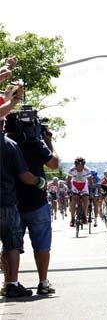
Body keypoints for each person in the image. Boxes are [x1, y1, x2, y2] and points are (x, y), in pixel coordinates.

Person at [4, 111, 59, 295]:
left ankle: (10, 282)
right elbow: (54, 164)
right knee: (42, 244)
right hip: (37, 202)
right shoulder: (38, 143)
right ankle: (43, 282)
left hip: (13, 203)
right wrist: (50, 141)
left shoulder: (7, 144)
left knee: (11, 245)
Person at [0, 117, 46, 297]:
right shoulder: (9, 145)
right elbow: (24, 175)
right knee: (11, 244)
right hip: (5, 202)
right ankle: (12, 283)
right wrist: (39, 181)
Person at [67, 157, 93, 227]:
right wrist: (70, 190)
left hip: (83, 185)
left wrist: (90, 192)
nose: (80, 168)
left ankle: (84, 215)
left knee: (86, 199)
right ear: (75, 165)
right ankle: (72, 218)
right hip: (75, 185)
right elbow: (68, 181)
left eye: (82, 166)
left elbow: (90, 182)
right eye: (78, 166)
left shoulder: (87, 170)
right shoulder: (71, 169)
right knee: (74, 199)